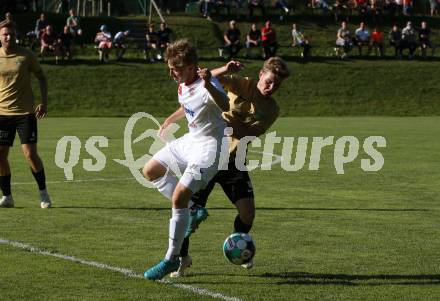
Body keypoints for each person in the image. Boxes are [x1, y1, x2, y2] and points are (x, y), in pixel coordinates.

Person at [171, 57, 291, 277]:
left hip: (234, 160)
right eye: (270, 81)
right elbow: (205, 78)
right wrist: (224, 68)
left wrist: (227, 122)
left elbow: (248, 134)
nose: (271, 87)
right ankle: (182, 259)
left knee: (248, 214)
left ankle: (239, 244)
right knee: (189, 212)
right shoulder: (240, 83)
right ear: (261, 75)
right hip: (207, 154)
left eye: (277, 85)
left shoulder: (272, 109)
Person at [142, 39, 230, 280]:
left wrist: (211, 83)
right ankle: (194, 210)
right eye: (170, 68)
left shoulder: (207, 86)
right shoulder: (184, 83)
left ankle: (171, 259)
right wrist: (170, 119)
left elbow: (224, 104)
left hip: (210, 148)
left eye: (176, 68)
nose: (172, 73)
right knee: (150, 170)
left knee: (179, 195)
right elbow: (186, 104)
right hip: (191, 140)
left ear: (192, 67)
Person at [0, 20, 52, 209]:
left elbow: (42, 77)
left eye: (12, 34)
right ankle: (7, 197)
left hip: (25, 113)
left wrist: (44, 103)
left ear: (16, 36)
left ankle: (43, 193)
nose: (8, 37)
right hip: (2, 114)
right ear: (0, 36)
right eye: (5, 34)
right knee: (0, 156)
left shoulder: (26, 55)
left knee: (30, 154)